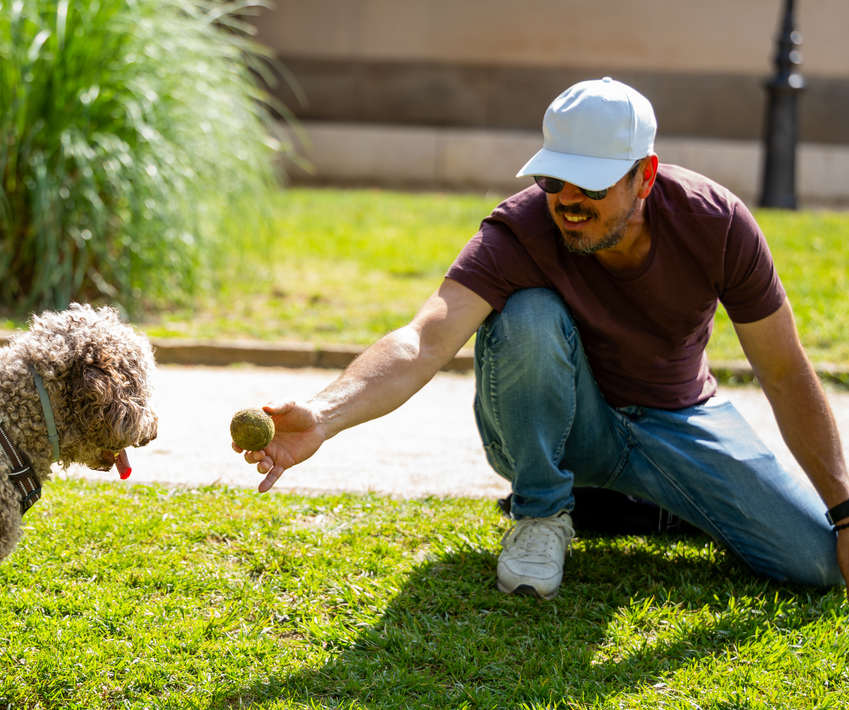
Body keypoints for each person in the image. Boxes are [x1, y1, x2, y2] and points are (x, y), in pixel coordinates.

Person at [237, 77, 849, 599]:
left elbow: (785, 371)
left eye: (592, 186)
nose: (569, 203)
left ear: (645, 177)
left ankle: (639, 506)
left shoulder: (716, 224)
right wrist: (323, 415)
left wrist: (845, 510)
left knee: (817, 565)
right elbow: (424, 339)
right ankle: (542, 509)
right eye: (556, 181)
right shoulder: (520, 230)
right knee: (526, 313)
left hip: (678, 418)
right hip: (565, 429)